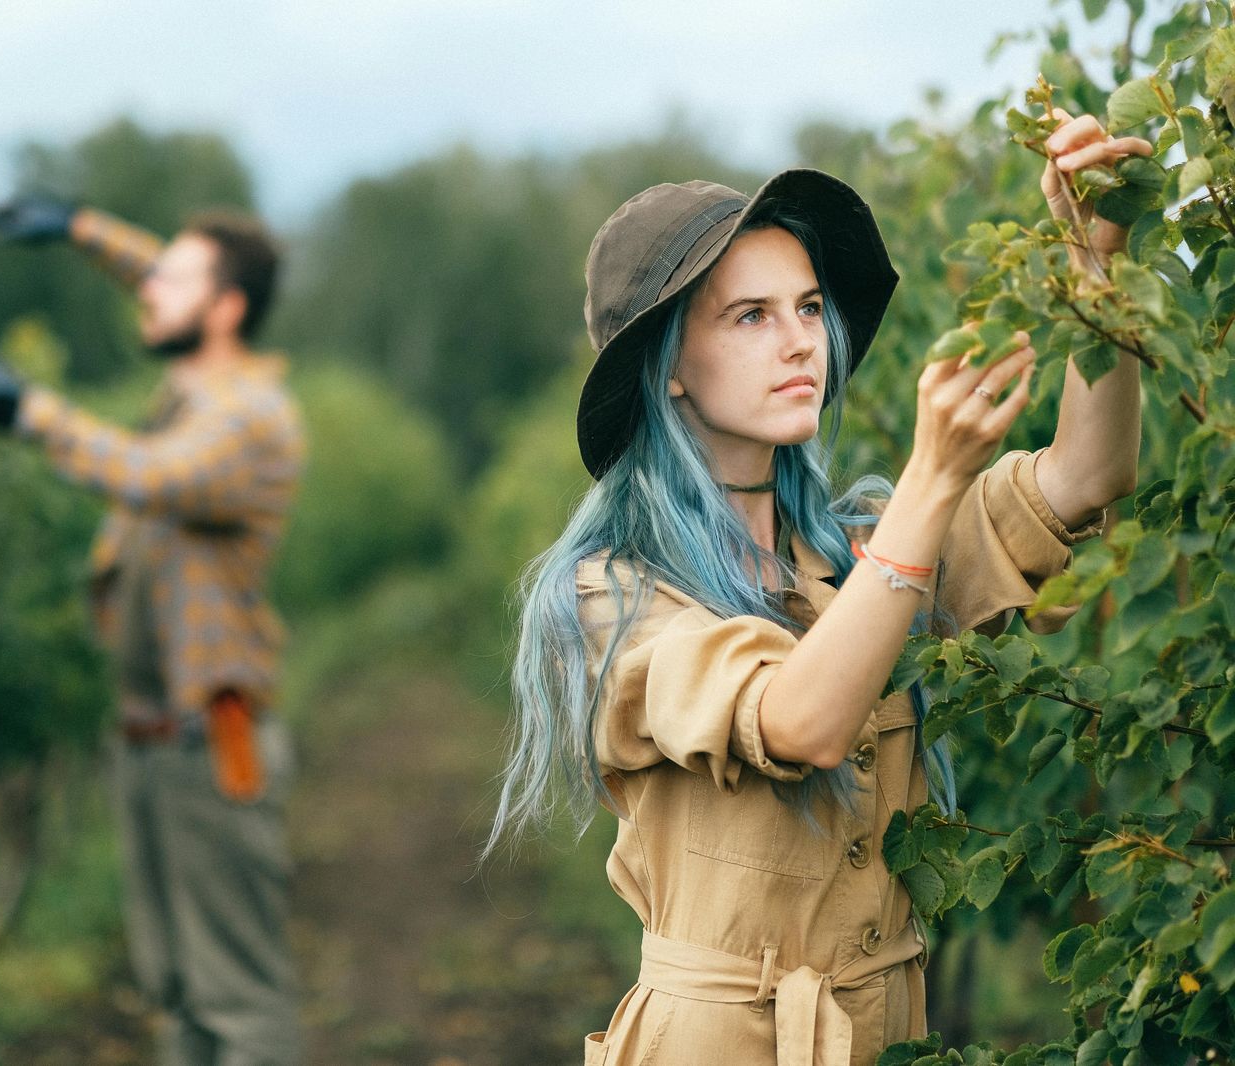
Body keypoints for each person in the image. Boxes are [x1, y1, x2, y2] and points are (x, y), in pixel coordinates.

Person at [486, 111, 1148, 1065]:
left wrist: (1098, 269)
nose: (801, 341)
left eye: (806, 308)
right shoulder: (615, 597)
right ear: (668, 365)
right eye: (750, 316)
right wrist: (931, 481)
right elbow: (798, 723)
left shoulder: (855, 553)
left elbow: (1087, 477)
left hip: (887, 1032)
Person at [0, 202, 306, 1066]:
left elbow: (146, 474)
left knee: (237, 999)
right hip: (152, 747)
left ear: (226, 308)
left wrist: (35, 415)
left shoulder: (249, 420)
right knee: (174, 994)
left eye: (174, 280)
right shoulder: (198, 386)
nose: (148, 291)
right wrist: (81, 229)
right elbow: (162, 279)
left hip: (210, 749)